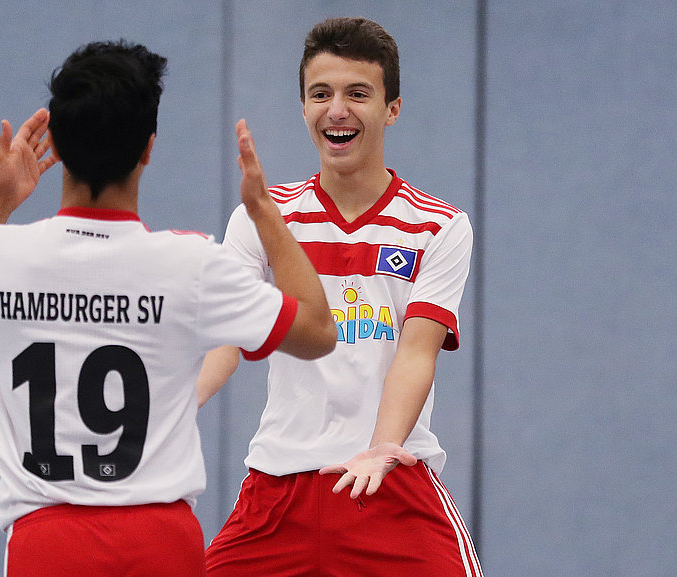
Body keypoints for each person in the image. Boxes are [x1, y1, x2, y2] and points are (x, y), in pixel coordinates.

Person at [0, 40, 335, 577]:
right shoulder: (190, 263)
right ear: (148, 148)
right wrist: (263, 212)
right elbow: (318, 330)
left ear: (56, 144)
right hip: (160, 539)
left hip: (47, 541)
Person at [199, 18, 483, 577]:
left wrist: (380, 448)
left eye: (358, 94)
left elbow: (416, 352)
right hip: (278, 491)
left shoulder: (439, 225)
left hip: (390, 482)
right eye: (320, 94)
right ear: (303, 106)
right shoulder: (264, 216)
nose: (337, 110)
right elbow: (225, 342)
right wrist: (171, 408)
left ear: (392, 108)